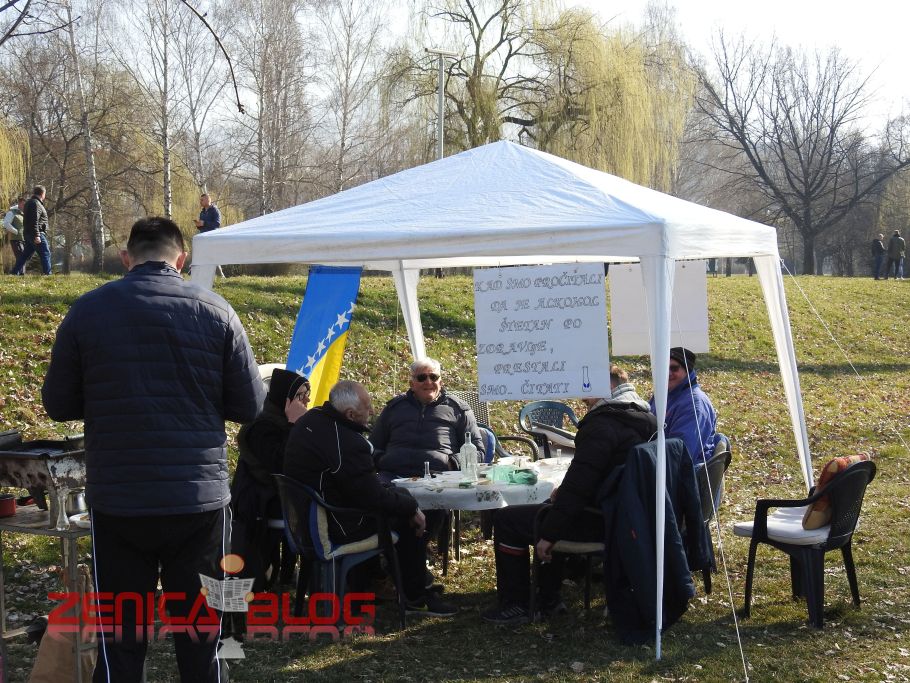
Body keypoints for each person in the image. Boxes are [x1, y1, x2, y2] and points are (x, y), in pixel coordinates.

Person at [42, 216, 265, 682]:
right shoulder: (217, 311)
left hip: (120, 500)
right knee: (201, 635)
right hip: (197, 500)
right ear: (180, 259)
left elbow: (58, 405)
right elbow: (249, 406)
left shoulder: (87, 311)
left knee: (121, 638)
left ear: (127, 258)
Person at [481, 366, 657, 624]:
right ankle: (548, 597)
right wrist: (562, 498)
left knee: (508, 520)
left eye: (587, 390)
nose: (582, 398)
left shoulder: (602, 425)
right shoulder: (646, 418)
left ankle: (517, 604)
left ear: (606, 387)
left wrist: (549, 534)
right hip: (628, 518)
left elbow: (579, 488)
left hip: (602, 522)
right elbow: (594, 479)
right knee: (552, 507)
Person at [283, 380, 458, 616]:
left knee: (402, 500)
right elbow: (372, 497)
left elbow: (359, 486)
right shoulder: (346, 441)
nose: (373, 412)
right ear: (350, 414)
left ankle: (390, 580)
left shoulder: (312, 419)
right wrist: (411, 507)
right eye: (367, 408)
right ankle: (415, 597)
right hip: (335, 526)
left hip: (308, 520)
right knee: (406, 518)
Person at [230, 368, 309, 592]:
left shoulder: (284, 422)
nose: (306, 401)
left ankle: (290, 576)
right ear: (285, 398)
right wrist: (293, 424)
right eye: (300, 395)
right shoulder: (261, 426)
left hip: (281, 494)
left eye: (307, 395)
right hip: (260, 498)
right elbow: (281, 464)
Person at [370, 358, 485, 479]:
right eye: (422, 378)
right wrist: (383, 460)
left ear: (441, 382)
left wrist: (452, 463)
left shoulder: (459, 409)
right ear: (412, 384)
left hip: (441, 479)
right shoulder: (394, 408)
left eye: (433, 377)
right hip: (393, 477)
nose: (428, 382)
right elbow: (372, 447)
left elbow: (478, 452)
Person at [12, 185, 51, 276]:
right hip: (36, 233)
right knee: (45, 253)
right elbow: (34, 220)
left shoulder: (29, 203)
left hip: (28, 233)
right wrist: (37, 235)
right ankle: (47, 274)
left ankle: (14, 272)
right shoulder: (36, 204)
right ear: (42, 194)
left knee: (25, 255)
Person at [3, 195, 26, 271]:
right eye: (23, 204)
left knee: (23, 256)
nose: (24, 206)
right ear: (19, 203)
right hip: (16, 239)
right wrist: (16, 231)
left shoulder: (22, 213)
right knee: (21, 256)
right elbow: (6, 223)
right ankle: (18, 273)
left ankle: (19, 273)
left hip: (23, 239)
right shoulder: (12, 212)